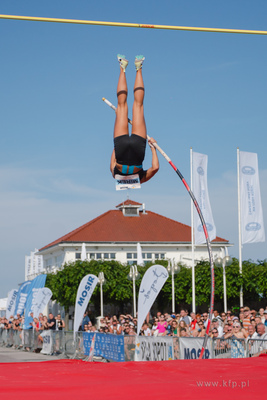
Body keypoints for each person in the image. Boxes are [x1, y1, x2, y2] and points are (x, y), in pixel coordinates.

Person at [110, 54, 159, 184]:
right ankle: (122, 67)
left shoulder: (140, 180)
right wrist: (120, 120)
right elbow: (113, 158)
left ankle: (139, 67)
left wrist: (152, 146)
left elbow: (155, 168)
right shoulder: (115, 177)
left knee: (138, 106)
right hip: (121, 148)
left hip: (138, 151)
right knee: (121, 106)